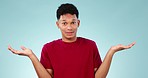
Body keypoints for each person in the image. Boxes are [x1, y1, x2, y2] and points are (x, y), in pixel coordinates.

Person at [8, 3, 136, 78]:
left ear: (78, 23)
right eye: (64, 23)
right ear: (58, 24)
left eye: (73, 22)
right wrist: (31, 56)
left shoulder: (90, 45)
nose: (69, 27)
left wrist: (111, 52)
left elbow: (98, 77)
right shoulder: (48, 48)